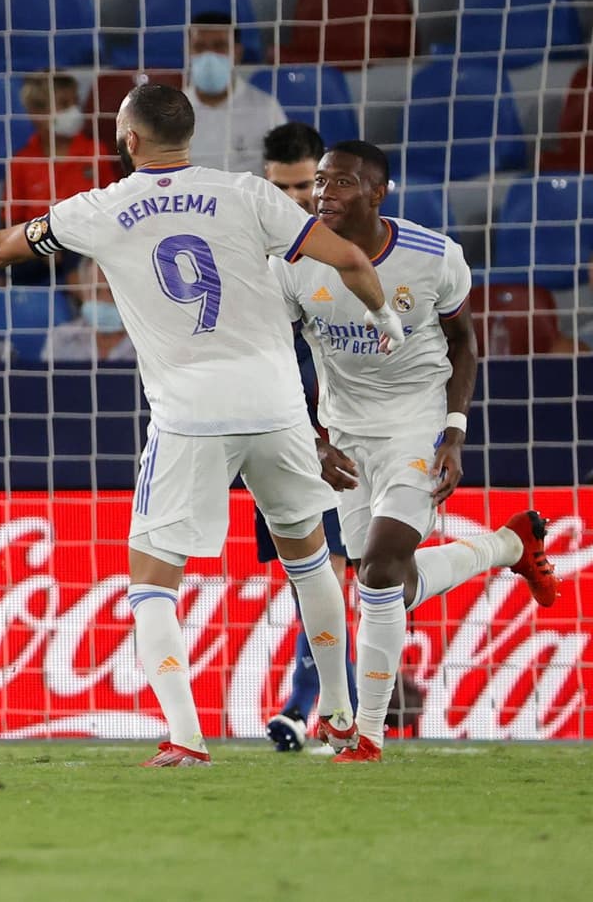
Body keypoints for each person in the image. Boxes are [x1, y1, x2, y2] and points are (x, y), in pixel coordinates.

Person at [0, 83, 414, 766]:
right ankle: (338, 714)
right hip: (278, 407)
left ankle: (188, 736)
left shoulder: (101, 207)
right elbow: (351, 258)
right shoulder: (248, 193)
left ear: (129, 141)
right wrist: (385, 320)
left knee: (153, 580)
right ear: (189, 133)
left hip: (191, 415)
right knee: (311, 560)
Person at [273, 140, 562, 762]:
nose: (324, 195)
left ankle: (366, 735)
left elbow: (464, 342)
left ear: (379, 193)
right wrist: (312, 437)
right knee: (386, 590)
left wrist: (453, 430)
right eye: (320, 183)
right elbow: (272, 357)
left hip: (417, 426)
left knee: (377, 570)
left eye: (342, 184)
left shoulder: (434, 257)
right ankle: (507, 545)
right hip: (343, 435)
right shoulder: (293, 261)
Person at [259, 122, 355, 753]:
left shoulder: (351, 251)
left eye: (303, 186)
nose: (294, 200)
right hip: (272, 430)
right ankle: (336, 705)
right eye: (281, 187)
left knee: (339, 571)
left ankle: (307, 704)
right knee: (313, 575)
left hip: (345, 437)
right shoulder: (253, 251)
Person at [7, 73, 119, 286]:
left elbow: (111, 207)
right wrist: (41, 243)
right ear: (37, 113)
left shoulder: (95, 152)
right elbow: (12, 219)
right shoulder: (21, 161)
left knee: (80, 264)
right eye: (64, 104)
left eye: (75, 102)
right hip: (36, 243)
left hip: (85, 243)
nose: (74, 111)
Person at [184, 12, 286, 176]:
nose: (209, 56)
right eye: (200, 47)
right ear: (189, 51)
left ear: (237, 52)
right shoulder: (171, 112)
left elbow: (284, 166)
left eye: (219, 46)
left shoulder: (266, 108)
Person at [41, 256, 135, 364]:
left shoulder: (146, 342)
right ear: (82, 294)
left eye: (112, 292)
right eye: (96, 291)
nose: (105, 299)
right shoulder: (61, 339)